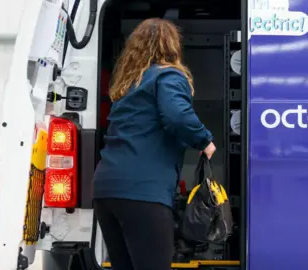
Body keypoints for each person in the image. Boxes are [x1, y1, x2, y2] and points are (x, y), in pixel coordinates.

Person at [92, 18, 216, 270]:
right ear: (172, 46)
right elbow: (177, 115)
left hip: (107, 190)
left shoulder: (128, 86)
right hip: (143, 191)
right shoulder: (169, 75)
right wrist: (204, 141)